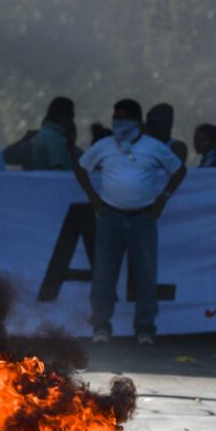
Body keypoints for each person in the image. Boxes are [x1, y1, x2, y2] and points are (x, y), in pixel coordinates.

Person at [74, 99, 187, 345]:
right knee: (104, 274)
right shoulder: (104, 146)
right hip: (110, 216)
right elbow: (81, 167)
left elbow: (178, 169)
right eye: (116, 118)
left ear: (137, 122)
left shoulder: (153, 147)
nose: (119, 123)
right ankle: (101, 326)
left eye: (124, 118)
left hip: (143, 217)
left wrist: (163, 199)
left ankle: (145, 328)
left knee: (146, 274)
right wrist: (94, 199)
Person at [28, 96, 77, 170]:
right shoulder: (54, 140)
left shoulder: (46, 134)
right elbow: (58, 172)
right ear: (63, 116)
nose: (72, 122)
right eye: (71, 117)